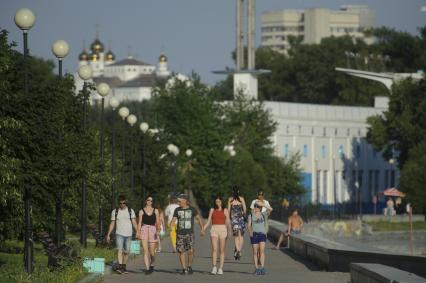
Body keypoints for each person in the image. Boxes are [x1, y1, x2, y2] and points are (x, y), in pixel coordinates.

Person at [170, 193, 204, 275]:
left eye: (179, 201)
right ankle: (184, 269)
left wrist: (202, 229)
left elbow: (198, 219)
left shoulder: (192, 209)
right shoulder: (177, 210)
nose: (178, 203)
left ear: (185, 201)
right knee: (181, 251)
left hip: (189, 234)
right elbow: (174, 219)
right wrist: (171, 225)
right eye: (178, 201)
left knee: (191, 251)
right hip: (180, 234)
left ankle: (189, 266)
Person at [106, 195, 138, 274]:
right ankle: (120, 267)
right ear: (118, 203)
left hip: (129, 234)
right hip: (119, 233)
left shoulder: (130, 211)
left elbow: (134, 222)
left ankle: (124, 266)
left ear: (126, 203)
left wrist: (138, 231)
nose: (122, 205)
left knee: (126, 251)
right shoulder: (115, 211)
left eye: (124, 203)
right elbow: (112, 223)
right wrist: (108, 234)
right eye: (120, 203)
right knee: (119, 250)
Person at [202, 196, 231, 275]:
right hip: (214, 229)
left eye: (219, 201)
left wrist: (229, 231)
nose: (217, 203)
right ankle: (214, 267)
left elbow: (228, 221)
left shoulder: (225, 210)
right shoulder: (212, 210)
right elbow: (208, 221)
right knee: (214, 249)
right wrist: (203, 229)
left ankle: (220, 268)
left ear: (221, 202)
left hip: (223, 229)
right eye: (216, 201)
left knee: (221, 250)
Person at [136, 196, 160, 274]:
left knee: (152, 252)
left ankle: (152, 264)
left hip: (153, 230)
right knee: (145, 251)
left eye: (151, 201)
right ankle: (147, 268)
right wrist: (138, 232)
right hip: (144, 229)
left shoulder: (156, 211)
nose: (149, 202)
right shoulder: (141, 211)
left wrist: (158, 230)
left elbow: (158, 221)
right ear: (146, 201)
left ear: (152, 202)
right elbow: (139, 223)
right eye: (148, 200)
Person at [248, 202, 272, 275]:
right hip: (254, 235)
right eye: (255, 206)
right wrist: (250, 232)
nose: (256, 208)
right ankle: (256, 268)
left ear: (260, 208)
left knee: (261, 251)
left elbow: (271, 209)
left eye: (258, 207)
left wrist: (263, 205)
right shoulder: (251, 215)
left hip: (262, 234)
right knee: (255, 252)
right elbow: (249, 225)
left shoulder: (263, 214)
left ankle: (262, 267)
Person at [228, 186, 246, 260]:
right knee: (239, 235)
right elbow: (244, 209)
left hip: (235, 218)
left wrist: (229, 218)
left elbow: (229, 210)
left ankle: (238, 250)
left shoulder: (230, 200)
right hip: (238, 218)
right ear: (238, 191)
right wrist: (243, 213)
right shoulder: (241, 199)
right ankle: (239, 250)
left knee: (238, 235)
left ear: (232, 191)